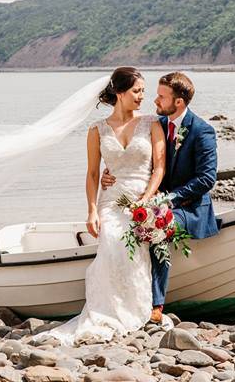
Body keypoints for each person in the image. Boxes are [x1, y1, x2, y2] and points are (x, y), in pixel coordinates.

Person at [37, 67, 168, 346]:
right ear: (120, 93)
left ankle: (140, 308)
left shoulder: (152, 123)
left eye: (143, 91)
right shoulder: (97, 130)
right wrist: (92, 210)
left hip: (142, 200)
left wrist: (146, 198)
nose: (141, 96)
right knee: (111, 242)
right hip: (111, 201)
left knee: (134, 245)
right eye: (137, 91)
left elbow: (159, 168)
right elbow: (93, 174)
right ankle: (108, 311)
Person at [101, 71, 218, 324]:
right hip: (152, 202)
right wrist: (108, 174)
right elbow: (132, 157)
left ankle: (156, 304)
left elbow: (207, 179)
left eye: (161, 97)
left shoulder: (202, 131)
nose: (155, 100)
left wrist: (168, 200)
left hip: (190, 208)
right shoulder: (156, 125)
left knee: (156, 227)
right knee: (140, 224)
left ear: (178, 102)